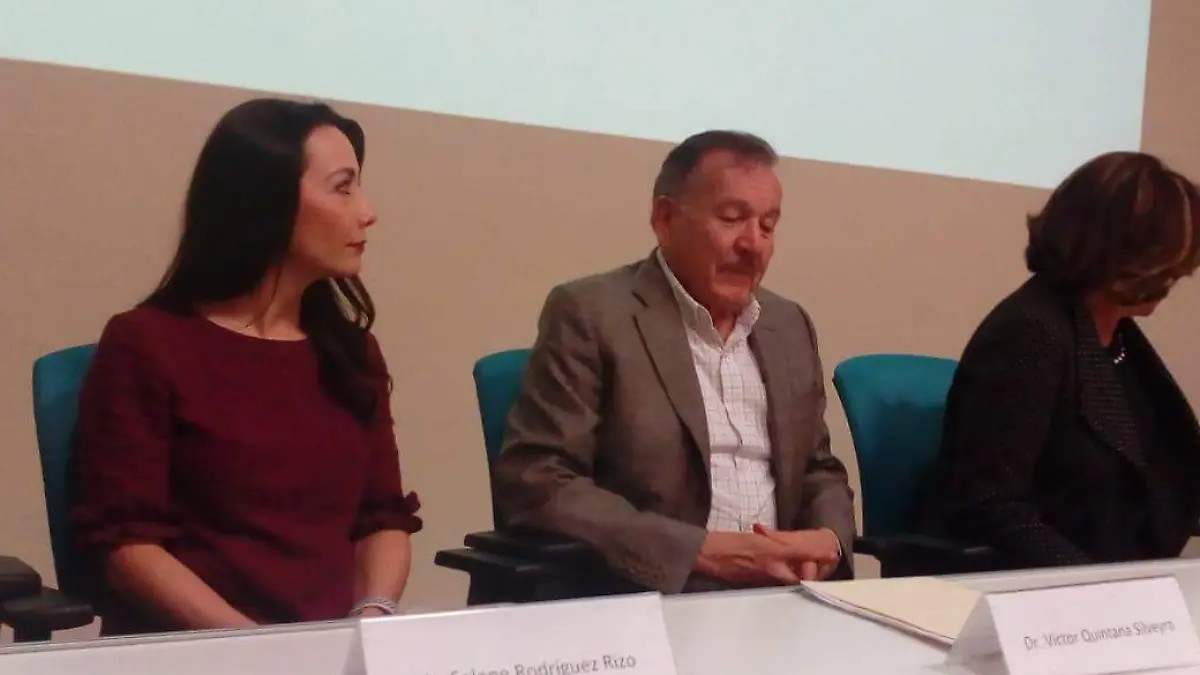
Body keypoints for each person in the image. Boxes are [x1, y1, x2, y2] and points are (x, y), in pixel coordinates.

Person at [70, 98, 423, 635]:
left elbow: (383, 517)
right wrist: (258, 649)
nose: (366, 211)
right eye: (342, 188)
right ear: (267, 203)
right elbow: (128, 545)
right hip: (202, 649)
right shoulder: (146, 343)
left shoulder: (350, 350)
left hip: (330, 647)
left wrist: (370, 620)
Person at [492, 130, 856, 595]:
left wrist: (829, 540)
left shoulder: (788, 325)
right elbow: (539, 480)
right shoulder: (592, 314)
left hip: (783, 597)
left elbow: (818, 469)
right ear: (665, 219)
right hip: (652, 596)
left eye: (768, 226)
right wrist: (698, 552)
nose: (754, 244)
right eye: (731, 219)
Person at [924, 151, 1200, 569]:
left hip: (1119, 582)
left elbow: (1167, 479)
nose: (1179, 275)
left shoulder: (1118, 339)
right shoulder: (1030, 334)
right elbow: (990, 506)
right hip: (1040, 589)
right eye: (1170, 261)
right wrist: (1102, 586)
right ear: (1123, 251)